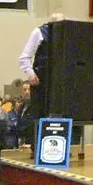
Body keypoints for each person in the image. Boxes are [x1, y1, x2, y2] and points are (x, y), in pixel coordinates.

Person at [18, 12, 65, 145]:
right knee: (39, 113)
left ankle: (59, 145)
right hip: (41, 79)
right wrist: (31, 74)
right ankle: (38, 146)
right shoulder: (38, 32)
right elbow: (24, 57)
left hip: (59, 79)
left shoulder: (67, 35)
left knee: (59, 113)